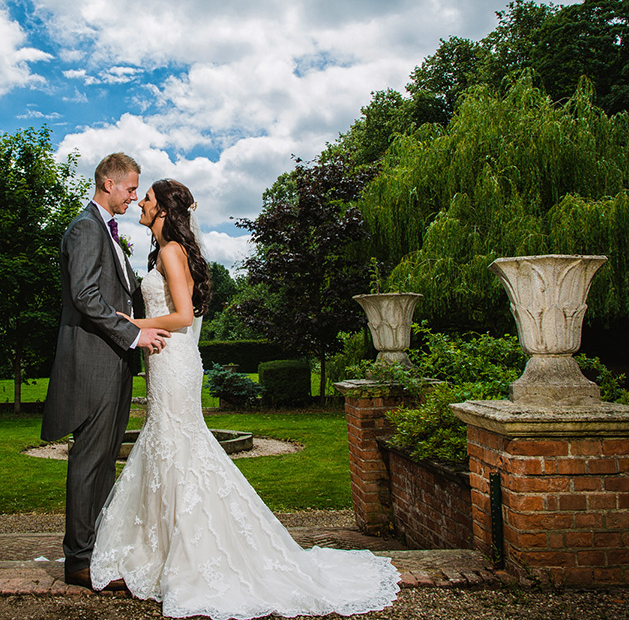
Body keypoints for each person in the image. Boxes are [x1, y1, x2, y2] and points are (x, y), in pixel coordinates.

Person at [91, 178, 401, 619]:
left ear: (163, 210)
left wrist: (132, 323)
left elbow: (183, 316)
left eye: (148, 198)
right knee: (170, 446)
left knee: (178, 445)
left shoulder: (172, 251)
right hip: (166, 360)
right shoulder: (164, 251)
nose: (140, 202)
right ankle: (165, 547)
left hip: (174, 360)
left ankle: (194, 554)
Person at [41, 153, 172, 591]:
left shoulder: (108, 231)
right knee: (89, 461)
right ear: (108, 183)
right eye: (131, 188)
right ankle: (78, 561)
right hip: (93, 364)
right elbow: (84, 294)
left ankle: (97, 550)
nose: (134, 196)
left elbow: (122, 295)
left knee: (103, 462)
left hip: (114, 364)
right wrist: (134, 335)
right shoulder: (85, 228)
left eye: (137, 191)